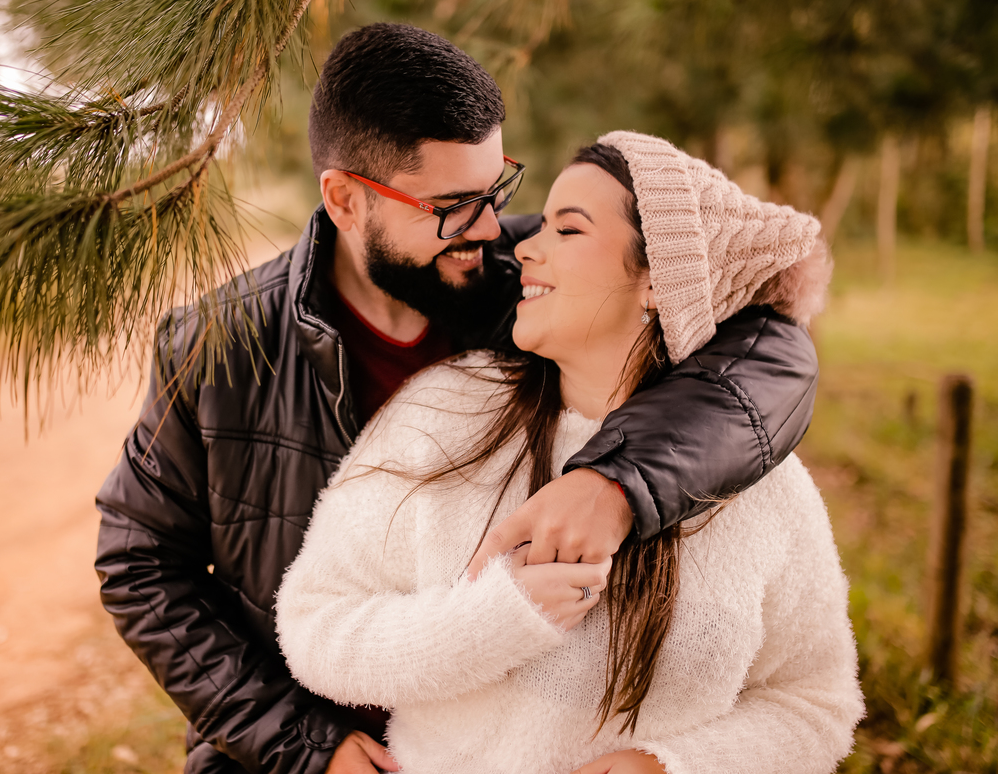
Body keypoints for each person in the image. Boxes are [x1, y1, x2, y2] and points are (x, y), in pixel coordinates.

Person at [95, 24, 822, 774]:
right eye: (450, 204)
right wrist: (302, 744)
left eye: (494, 189)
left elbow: (771, 349)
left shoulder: (527, 288)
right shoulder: (216, 346)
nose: (489, 227)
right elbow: (139, 563)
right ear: (346, 200)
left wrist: (614, 484)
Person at [276, 132, 862, 774]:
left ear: (659, 280)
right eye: (541, 225)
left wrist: (670, 766)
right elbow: (313, 624)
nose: (523, 247)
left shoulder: (765, 488)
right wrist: (494, 620)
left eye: (569, 229)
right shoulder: (442, 413)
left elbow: (816, 703)